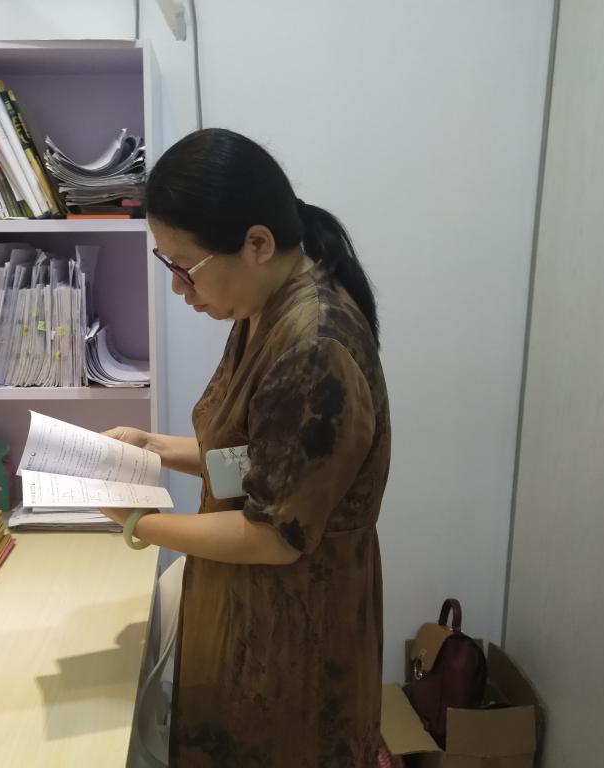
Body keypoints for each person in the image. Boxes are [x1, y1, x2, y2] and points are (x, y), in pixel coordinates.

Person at [101, 128, 391, 767]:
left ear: (258, 243)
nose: (180, 289)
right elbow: (260, 459)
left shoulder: (315, 345)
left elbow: (274, 535)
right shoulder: (264, 307)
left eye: (187, 268)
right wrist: (154, 447)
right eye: (168, 266)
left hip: (295, 635)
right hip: (249, 610)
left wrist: (137, 523)